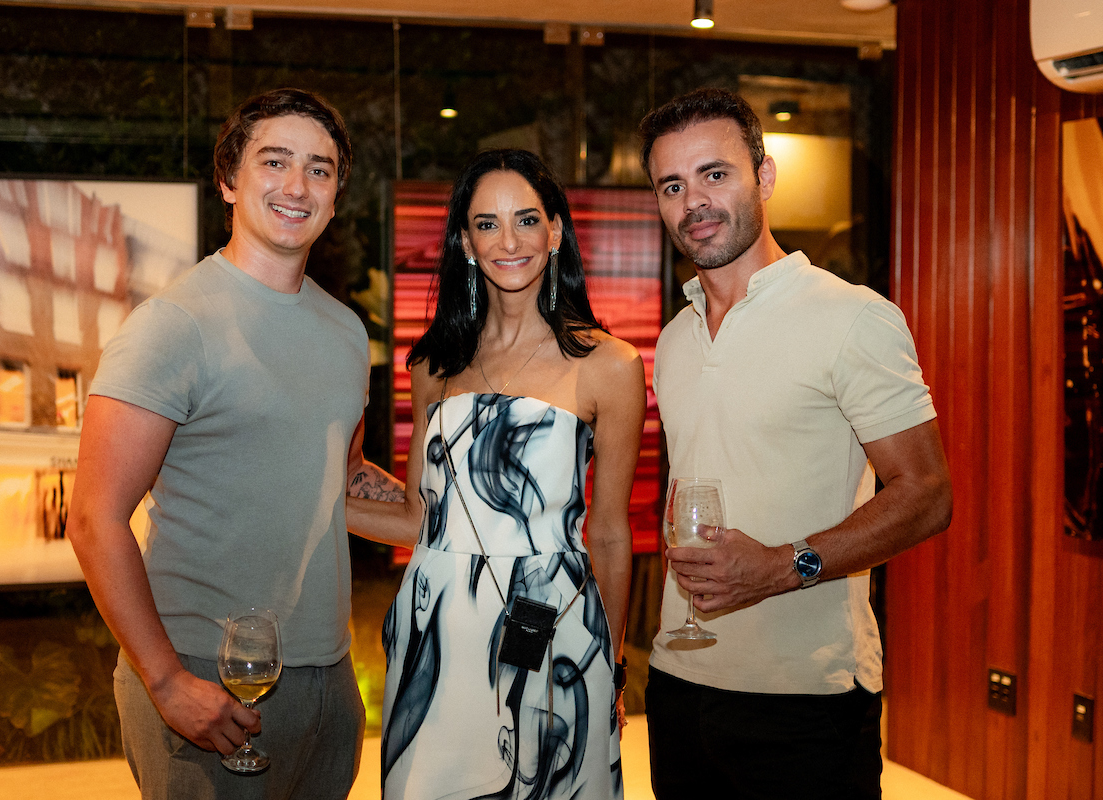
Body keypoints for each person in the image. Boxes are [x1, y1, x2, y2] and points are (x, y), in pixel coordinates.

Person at [67, 88, 400, 800]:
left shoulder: (345, 332)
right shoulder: (173, 325)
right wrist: (164, 679)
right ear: (229, 180)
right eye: (274, 161)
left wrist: (458, 517)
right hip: (202, 679)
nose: (296, 185)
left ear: (337, 194)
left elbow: (340, 477)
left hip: (329, 678)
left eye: (319, 168)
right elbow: (93, 517)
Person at [639, 87, 953, 798]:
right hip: (679, 682)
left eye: (715, 174)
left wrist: (785, 565)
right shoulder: (673, 338)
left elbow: (928, 495)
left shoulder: (851, 318)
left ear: (765, 176)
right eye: (672, 185)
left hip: (807, 699)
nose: (696, 201)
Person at [346, 149, 646, 800]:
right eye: (486, 223)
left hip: (550, 623)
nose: (508, 241)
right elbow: (418, 518)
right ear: (463, 240)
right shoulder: (433, 365)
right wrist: (307, 485)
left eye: (527, 220)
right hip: (436, 634)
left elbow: (611, 535)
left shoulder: (609, 365)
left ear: (556, 232)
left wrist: (610, 665)